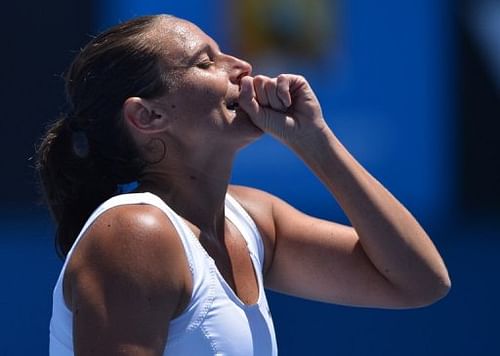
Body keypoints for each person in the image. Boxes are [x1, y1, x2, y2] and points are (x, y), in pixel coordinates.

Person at [37, 14, 451, 356]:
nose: (242, 67)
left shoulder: (253, 218)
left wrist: (315, 142)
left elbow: (418, 281)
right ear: (147, 117)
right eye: (205, 62)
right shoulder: (136, 235)